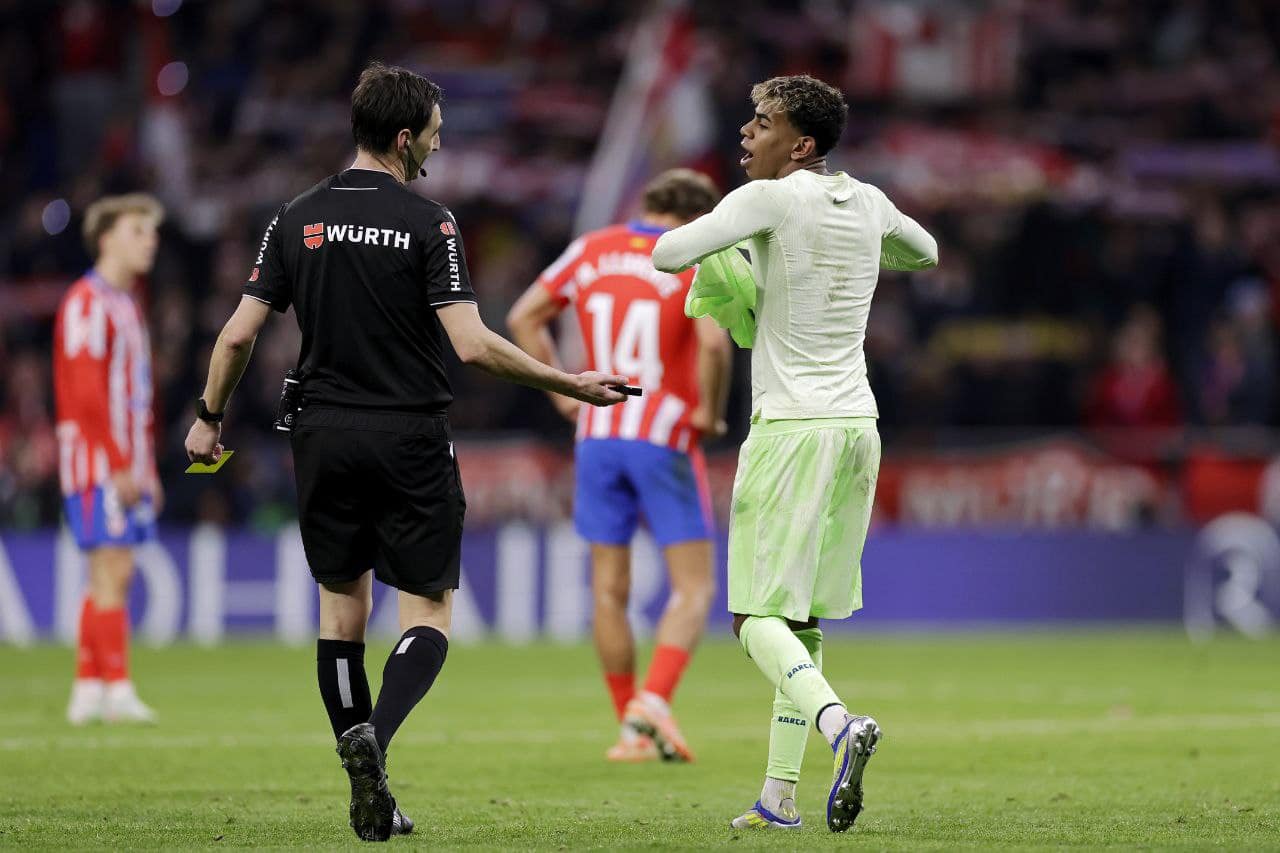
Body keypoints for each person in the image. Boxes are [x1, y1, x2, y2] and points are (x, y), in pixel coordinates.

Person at [184, 62, 627, 842]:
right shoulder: (430, 223)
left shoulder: (295, 216)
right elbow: (472, 344)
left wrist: (207, 416)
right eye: (433, 134)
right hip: (408, 434)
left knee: (340, 614)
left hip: (320, 433)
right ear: (402, 138)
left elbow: (237, 335)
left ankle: (372, 791)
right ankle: (376, 746)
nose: (437, 146)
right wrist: (568, 380)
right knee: (428, 612)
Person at [651, 74, 938, 833]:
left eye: (763, 122)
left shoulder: (769, 200)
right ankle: (779, 796)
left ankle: (841, 725)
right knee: (801, 620)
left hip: (790, 428)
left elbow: (668, 254)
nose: (747, 132)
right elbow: (926, 252)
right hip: (857, 428)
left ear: (800, 145)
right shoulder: (868, 201)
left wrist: (725, 237)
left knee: (752, 616)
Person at [506, 169, 732, 763]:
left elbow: (524, 316)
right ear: (698, 218)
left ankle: (630, 729)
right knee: (695, 586)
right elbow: (714, 345)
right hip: (663, 435)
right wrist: (710, 415)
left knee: (608, 590)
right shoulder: (691, 255)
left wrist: (563, 393)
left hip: (598, 432)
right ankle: (652, 703)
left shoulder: (591, 249)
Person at [55, 193, 164, 726]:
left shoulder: (126, 303)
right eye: (137, 232)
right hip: (97, 461)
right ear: (106, 239)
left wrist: (147, 468)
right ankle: (116, 689)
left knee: (108, 573)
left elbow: (137, 399)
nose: (150, 242)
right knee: (112, 570)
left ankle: (88, 688)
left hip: (124, 461)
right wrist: (119, 463)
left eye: (151, 232)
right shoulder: (87, 302)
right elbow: (85, 392)